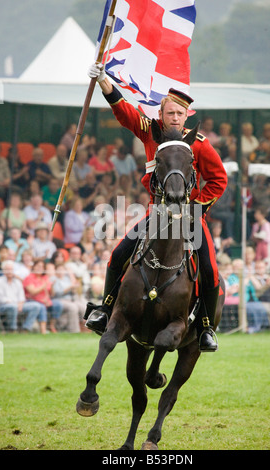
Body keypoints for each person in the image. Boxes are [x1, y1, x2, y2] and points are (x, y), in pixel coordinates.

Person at [84, 62, 228, 351]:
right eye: (170, 112)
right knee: (117, 254)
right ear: (161, 114)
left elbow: (219, 179)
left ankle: (205, 328)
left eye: (179, 113)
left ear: (187, 115)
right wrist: (103, 81)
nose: (174, 117)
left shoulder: (199, 144)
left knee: (210, 268)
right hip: (156, 215)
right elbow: (125, 113)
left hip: (190, 216)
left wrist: (195, 207)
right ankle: (105, 309)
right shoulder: (151, 132)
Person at [0, 260, 42, 333]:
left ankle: (25, 329)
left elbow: (21, 297)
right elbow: (1, 298)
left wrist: (21, 303)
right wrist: (15, 304)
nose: (9, 271)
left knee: (36, 306)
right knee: (12, 307)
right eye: (7, 270)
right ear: (3, 271)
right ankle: (12, 330)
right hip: (3, 306)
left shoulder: (17, 282)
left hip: (18, 305)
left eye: (11, 270)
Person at [23, 259, 63, 333]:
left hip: (45, 300)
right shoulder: (29, 277)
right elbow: (32, 292)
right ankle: (43, 330)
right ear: (34, 267)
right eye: (38, 266)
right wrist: (43, 285)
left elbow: (51, 294)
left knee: (58, 304)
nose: (40, 268)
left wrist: (52, 287)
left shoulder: (44, 277)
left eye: (42, 267)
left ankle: (51, 325)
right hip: (32, 300)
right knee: (41, 306)